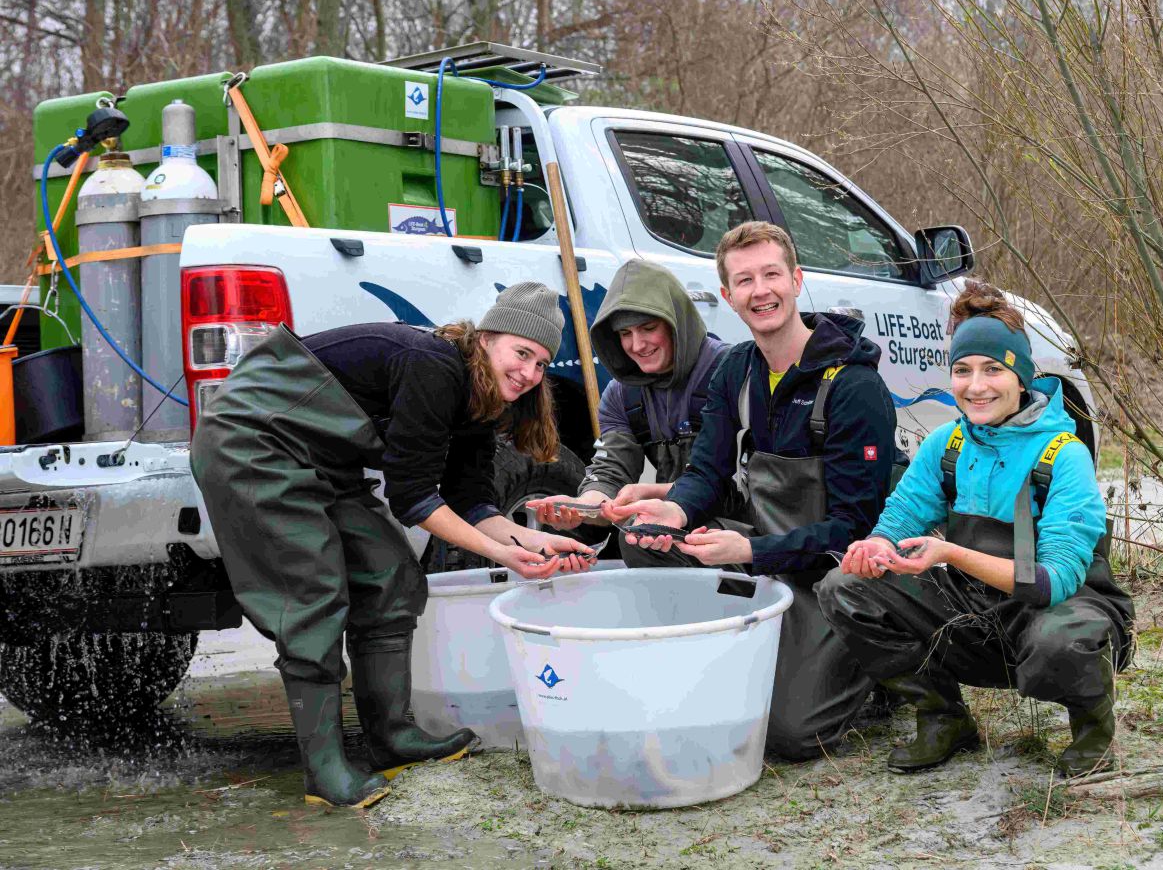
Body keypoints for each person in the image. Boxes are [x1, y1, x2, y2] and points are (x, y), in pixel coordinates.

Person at [190, 282, 595, 809]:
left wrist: (540, 543)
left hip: (321, 457)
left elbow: (472, 501)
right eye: (522, 353)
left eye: (542, 364)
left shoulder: (481, 398)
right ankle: (324, 771)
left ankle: (390, 736)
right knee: (312, 594)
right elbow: (413, 498)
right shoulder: (432, 365)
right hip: (251, 442)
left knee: (390, 572)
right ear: (488, 337)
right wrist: (504, 556)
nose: (530, 374)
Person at [818, 281, 1134, 777]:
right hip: (975, 611)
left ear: (1022, 377)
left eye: (993, 370)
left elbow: (1052, 582)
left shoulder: (1063, 455)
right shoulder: (947, 443)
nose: (976, 385)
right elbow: (899, 518)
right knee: (847, 588)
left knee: (1063, 639)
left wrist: (949, 554)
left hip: (1053, 611)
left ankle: (1092, 730)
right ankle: (944, 718)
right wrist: (877, 545)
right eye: (962, 371)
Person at [607, 221, 897, 760]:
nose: (760, 290)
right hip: (766, 554)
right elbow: (707, 473)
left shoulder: (854, 386)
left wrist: (750, 551)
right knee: (642, 538)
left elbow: (857, 527)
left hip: (837, 573)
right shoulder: (735, 369)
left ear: (797, 279)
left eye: (771, 275)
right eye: (745, 281)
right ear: (727, 296)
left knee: (789, 736)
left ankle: (872, 670)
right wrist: (672, 510)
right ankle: (717, 667)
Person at [526, 258, 733, 558]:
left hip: (743, 526)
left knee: (642, 542)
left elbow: (747, 481)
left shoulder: (730, 372)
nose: (637, 345)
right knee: (637, 538)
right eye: (625, 334)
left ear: (677, 321)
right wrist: (584, 507)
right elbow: (610, 472)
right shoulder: (621, 396)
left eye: (648, 328)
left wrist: (653, 493)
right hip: (675, 519)